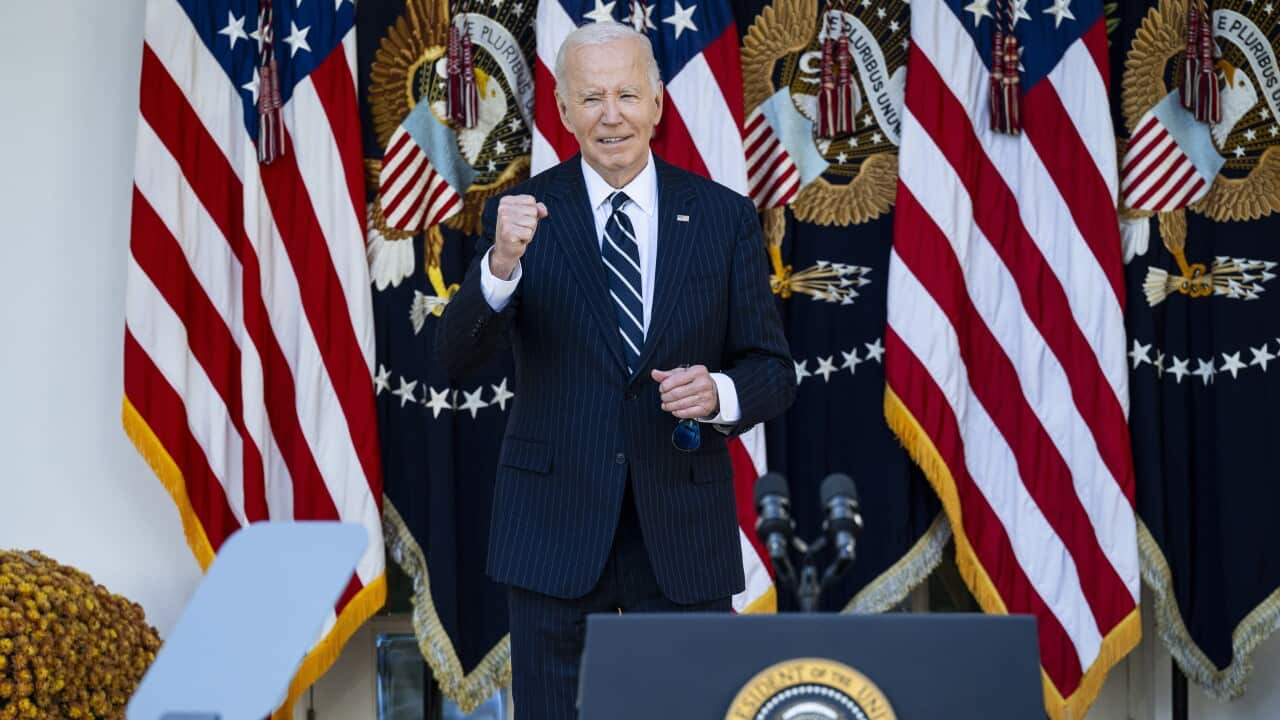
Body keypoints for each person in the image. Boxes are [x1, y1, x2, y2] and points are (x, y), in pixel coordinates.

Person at [436, 21, 795, 719]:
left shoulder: (723, 218)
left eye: (628, 94)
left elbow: (773, 371)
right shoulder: (519, 218)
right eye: (591, 97)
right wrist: (501, 265)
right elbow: (456, 357)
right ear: (564, 110)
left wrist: (717, 392)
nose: (612, 115)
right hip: (553, 532)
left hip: (681, 526)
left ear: (658, 103)